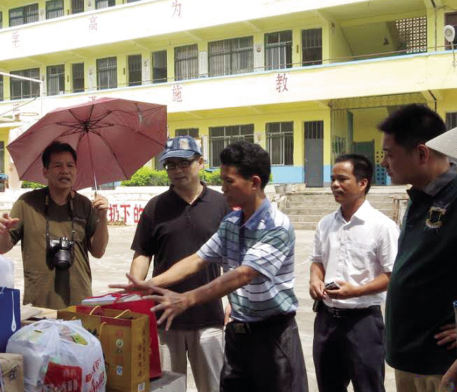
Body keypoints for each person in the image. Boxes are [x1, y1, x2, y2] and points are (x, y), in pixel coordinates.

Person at [113, 141, 308, 392]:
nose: (223, 188)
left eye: (229, 182)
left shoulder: (276, 226)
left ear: (255, 182)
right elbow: (198, 259)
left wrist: (186, 299)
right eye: (222, 181)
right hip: (239, 334)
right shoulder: (232, 222)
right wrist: (147, 284)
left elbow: (243, 274)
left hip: (273, 337)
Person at [129, 136, 229, 392]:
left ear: (200, 162)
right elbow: (143, 253)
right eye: (171, 165)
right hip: (164, 319)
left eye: (183, 163)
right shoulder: (156, 207)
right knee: (166, 388)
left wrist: (232, 301)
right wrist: (135, 288)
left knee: (214, 386)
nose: (177, 170)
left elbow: (233, 258)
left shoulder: (221, 204)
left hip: (208, 316)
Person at [378, 105, 457, 391]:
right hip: (410, 360)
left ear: (422, 153)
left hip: (443, 366)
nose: (384, 162)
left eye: (389, 153)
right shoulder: (418, 197)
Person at [309, 154, 399, 392]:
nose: (334, 185)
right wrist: (315, 280)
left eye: (342, 179)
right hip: (326, 320)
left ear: (362, 183)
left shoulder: (382, 226)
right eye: (332, 179)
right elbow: (318, 260)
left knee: (368, 386)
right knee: (328, 385)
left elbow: (391, 275)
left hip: (363, 323)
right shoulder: (326, 223)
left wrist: (356, 291)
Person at [0, 141, 109, 309]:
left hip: (79, 303)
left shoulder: (84, 204)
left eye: (70, 165)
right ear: (45, 171)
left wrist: (103, 218)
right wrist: (3, 231)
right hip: (38, 305)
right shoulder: (27, 203)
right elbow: (2, 247)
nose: (65, 170)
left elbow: (98, 252)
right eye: (58, 165)